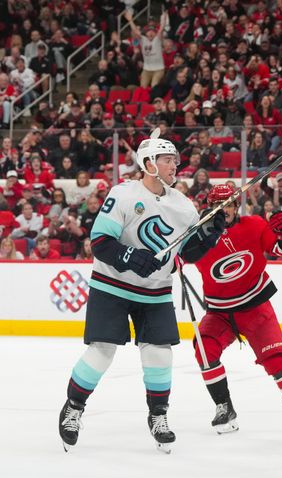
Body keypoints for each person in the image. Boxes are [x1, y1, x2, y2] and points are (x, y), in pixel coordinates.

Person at [57, 130, 226, 453]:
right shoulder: (122, 194)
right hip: (112, 287)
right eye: (167, 160)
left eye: (175, 160)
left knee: (159, 353)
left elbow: (188, 254)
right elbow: (101, 244)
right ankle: (73, 408)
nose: (174, 165)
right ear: (148, 163)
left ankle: (158, 416)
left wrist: (212, 232)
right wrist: (132, 257)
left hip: (155, 291)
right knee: (102, 350)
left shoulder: (184, 206)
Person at [190, 184, 282, 434]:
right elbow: (176, 261)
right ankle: (224, 407)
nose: (224, 210)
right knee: (204, 349)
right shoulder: (199, 237)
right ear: (208, 208)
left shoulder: (254, 225)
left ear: (236, 206)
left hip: (254, 307)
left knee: (276, 361)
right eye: (217, 206)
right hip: (220, 313)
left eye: (229, 205)